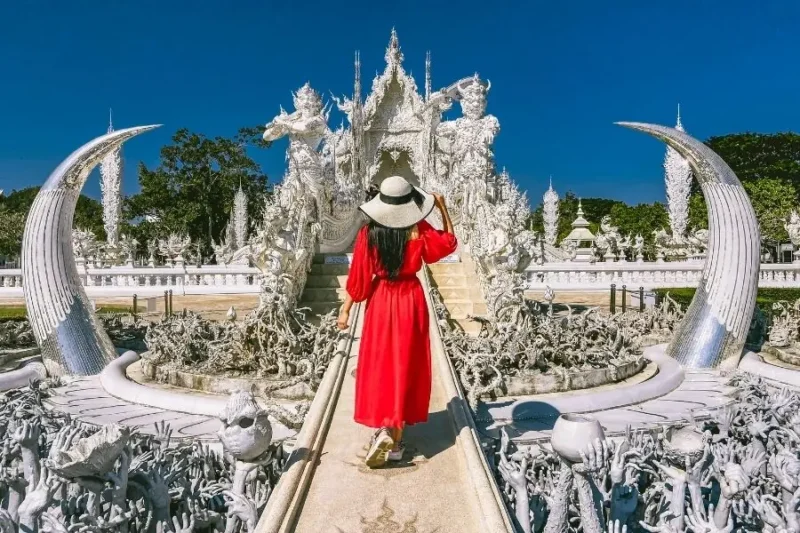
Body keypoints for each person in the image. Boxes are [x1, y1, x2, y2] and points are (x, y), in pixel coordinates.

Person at [337, 175, 457, 468]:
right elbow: (449, 243)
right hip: (410, 299)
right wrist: (442, 208)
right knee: (406, 362)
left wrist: (346, 309)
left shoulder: (369, 234)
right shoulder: (418, 229)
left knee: (382, 363)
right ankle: (396, 437)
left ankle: (386, 428)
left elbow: (360, 280)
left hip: (381, 300)